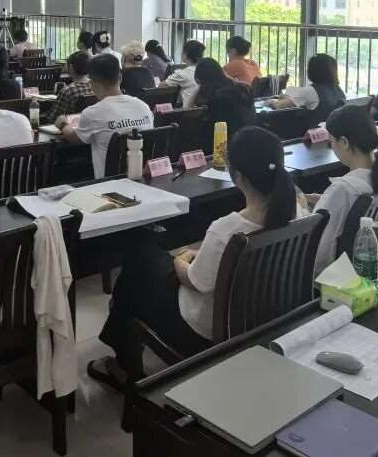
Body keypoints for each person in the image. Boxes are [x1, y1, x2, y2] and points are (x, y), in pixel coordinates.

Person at [88, 127, 303, 389]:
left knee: (141, 264)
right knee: (148, 262)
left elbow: (194, 280)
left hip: (205, 332)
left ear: (237, 176)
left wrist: (180, 258)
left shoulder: (227, 228)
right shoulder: (298, 213)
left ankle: (123, 364)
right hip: (264, 321)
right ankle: (121, 350)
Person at [305, 105, 378, 272]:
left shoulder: (344, 189)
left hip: (343, 278)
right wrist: (325, 200)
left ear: (344, 142)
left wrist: (304, 212)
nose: (332, 147)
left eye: (331, 142)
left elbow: (319, 254)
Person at [59, 54, 153, 178]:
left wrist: (62, 124)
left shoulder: (92, 113)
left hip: (108, 184)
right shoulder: (144, 107)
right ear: (120, 78)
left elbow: (74, 138)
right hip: (141, 181)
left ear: (91, 83)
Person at [269, 53, 346, 125]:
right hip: (325, 131)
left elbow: (278, 106)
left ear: (311, 71)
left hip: (305, 132)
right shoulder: (339, 91)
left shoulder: (311, 91)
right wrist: (289, 99)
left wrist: (270, 101)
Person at [193, 58, 257, 137]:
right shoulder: (241, 89)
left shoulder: (213, 97)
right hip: (248, 136)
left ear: (202, 79)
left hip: (222, 139)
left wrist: (198, 88)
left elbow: (189, 109)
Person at [47, 51, 94, 123]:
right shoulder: (96, 87)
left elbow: (54, 118)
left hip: (70, 127)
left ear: (71, 67)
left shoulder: (68, 90)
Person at [164, 40, 204, 108]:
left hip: (188, 112)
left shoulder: (182, 74)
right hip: (202, 111)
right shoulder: (206, 71)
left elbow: (162, 85)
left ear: (186, 54)